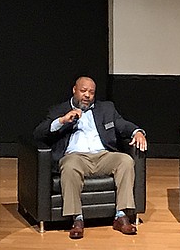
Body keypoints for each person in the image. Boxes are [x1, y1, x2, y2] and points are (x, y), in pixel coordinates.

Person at [33, 76, 147, 240]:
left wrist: (137, 132)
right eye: (83, 91)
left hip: (102, 155)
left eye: (91, 92)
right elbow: (38, 133)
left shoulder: (106, 108)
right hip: (75, 157)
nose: (87, 95)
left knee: (125, 161)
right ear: (74, 90)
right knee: (70, 166)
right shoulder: (59, 109)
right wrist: (62, 120)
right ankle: (77, 219)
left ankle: (121, 215)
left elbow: (122, 124)